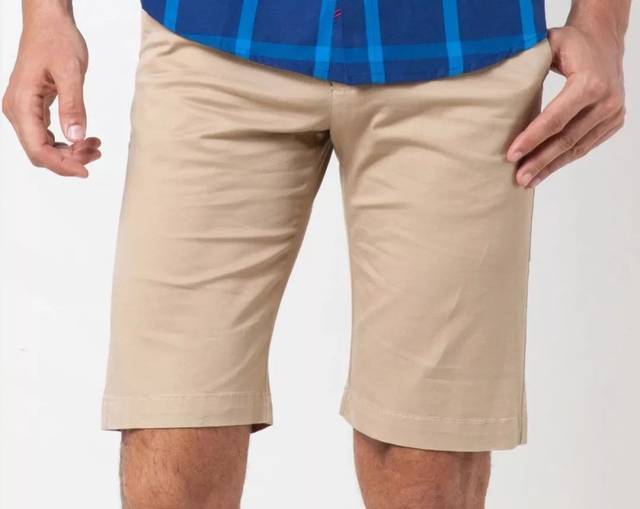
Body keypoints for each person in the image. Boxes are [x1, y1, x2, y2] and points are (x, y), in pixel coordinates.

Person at [2, 0, 630, 507]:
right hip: (216, 40)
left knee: (426, 449)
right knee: (173, 419)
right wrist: (46, 15)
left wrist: (602, 22)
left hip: (461, 46)